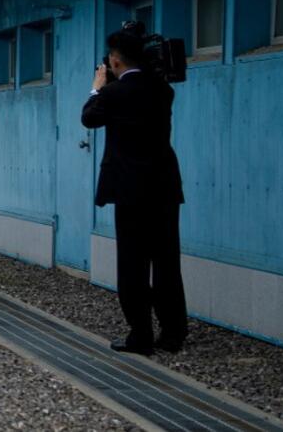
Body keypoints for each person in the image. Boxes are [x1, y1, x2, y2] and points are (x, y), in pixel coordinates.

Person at [82, 29, 187, 356]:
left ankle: (140, 336)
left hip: (129, 191)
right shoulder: (163, 90)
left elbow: (89, 117)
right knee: (167, 263)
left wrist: (97, 88)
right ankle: (172, 335)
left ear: (114, 60)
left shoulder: (112, 95)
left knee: (133, 266)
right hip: (165, 188)